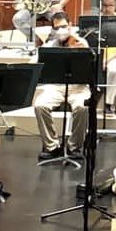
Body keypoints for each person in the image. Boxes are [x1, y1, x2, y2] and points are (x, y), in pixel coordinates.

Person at [32, 11, 91, 159]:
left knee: (82, 107)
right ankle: (52, 146)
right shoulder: (51, 46)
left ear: (70, 25)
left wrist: (80, 48)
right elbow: (38, 63)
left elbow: (87, 67)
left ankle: (74, 146)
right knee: (40, 104)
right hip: (56, 87)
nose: (60, 31)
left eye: (63, 26)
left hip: (78, 87)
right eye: (56, 28)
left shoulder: (81, 43)